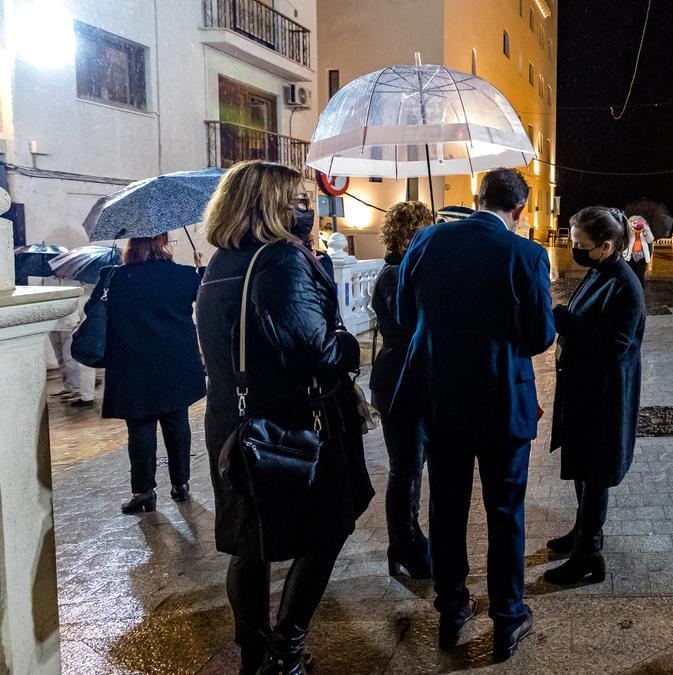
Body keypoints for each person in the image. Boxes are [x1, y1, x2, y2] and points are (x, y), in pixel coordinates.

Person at [196, 160, 373, 674]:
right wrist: (348, 344)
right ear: (269, 206)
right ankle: (286, 650)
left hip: (235, 422)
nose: (309, 209)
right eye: (299, 201)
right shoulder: (280, 261)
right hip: (290, 426)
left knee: (251, 542)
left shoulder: (223, 261)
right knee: (327, 529)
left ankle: (255, 655)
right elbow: (315, 351)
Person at [394, 168, 554, 662]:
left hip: (441, 401)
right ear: (519, 211)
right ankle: (507, 618)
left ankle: (452, 608)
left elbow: (403, 316)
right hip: (503, 402)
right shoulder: (526, 254)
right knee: (505, 512)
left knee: (447, 508)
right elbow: (540, 336)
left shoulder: (425, 242)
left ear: (476, 198)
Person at [545, 207, 646, 584]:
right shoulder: (599, 270)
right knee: (583, 467)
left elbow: (615, 345)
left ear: (605, 246)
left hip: (604, 395)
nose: (575, 249)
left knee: (595, 471)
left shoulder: (624, 285)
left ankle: (590, 555)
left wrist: (566, 322)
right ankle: (583, 533)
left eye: (580, 245)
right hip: (585, 389)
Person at [87, 234, 206, 514]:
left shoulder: (113, 277)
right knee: (177, 423)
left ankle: (143, 492)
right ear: (161, 245)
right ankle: (181, 484)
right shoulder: (184, 275)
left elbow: (92, 309)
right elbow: (204, 298)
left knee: (140, 428)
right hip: (175, 363)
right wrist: (200, 270)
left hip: (132, 364)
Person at [370, 200, 435, 580]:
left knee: (414, 463)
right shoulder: (395, 274)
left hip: (409, 376)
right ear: (409, 234)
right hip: (398, 379)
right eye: (423, 231)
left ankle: (408, 537)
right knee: (406, 467)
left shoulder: (407, 270)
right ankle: (405, 542)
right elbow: (408, 322)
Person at [624, 215, 654, 287]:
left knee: (640, 275)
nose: (638, 229)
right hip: (630, 257)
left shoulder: (644, 232)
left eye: (640, 226)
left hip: (642, 257)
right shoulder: (629, 232)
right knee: (631, 274)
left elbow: (650, 240)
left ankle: (640, 290)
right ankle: (631, 289)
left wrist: (646, 229)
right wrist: (630, 228)